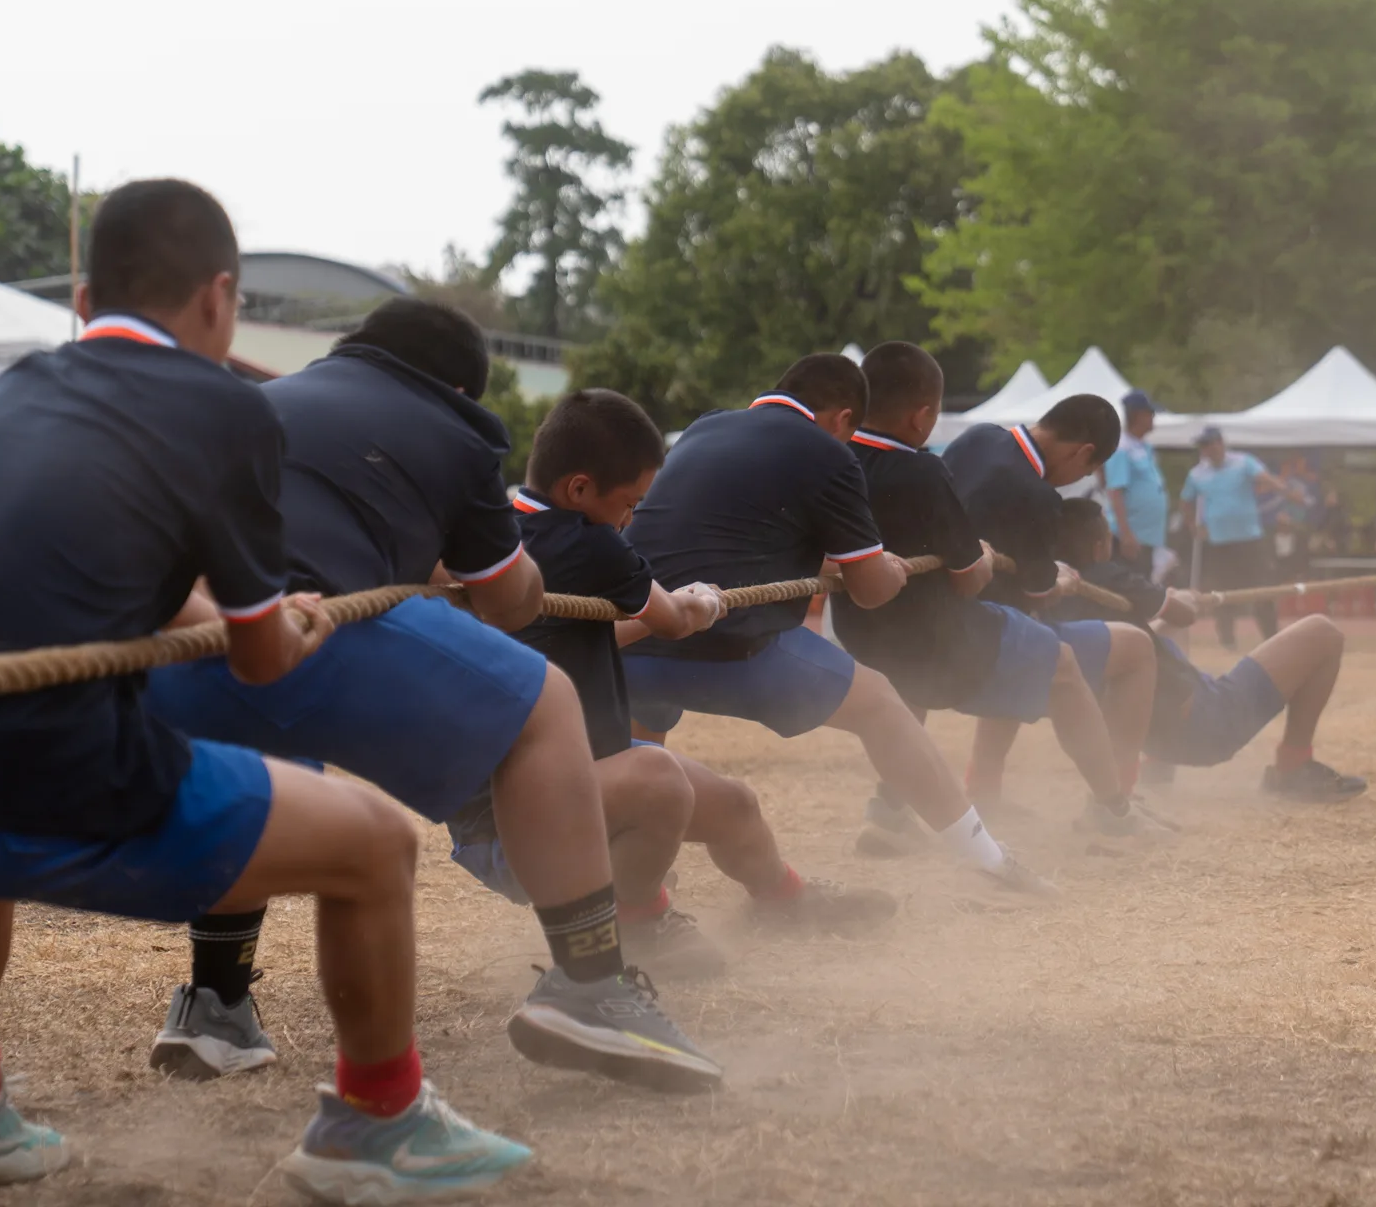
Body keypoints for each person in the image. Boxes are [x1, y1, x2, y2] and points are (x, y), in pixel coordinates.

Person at [0, 181, 530, 1201]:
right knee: (375, 844)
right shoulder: (224, 408)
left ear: (85, 299)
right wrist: (285, 622)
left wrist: (233, 612)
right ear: (220, 297)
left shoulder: (21, 390)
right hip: (34, 783)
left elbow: (119, 578)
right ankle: (380, 1121)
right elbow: (259, 664)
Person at [140, 298, 721, 1094]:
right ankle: (590, 986)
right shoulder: (453, 429)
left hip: (177, 644)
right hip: (317, 621)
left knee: (263, 784)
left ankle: (214, 1007)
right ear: (456, 389)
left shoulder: (257, 400)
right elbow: (510, 602)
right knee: (544, 704)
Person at [458, 387, 896, 979]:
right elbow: (674, 620)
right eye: (629, 503)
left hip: (560, 787)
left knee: (734, 806)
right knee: (659, 779)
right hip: (513, 826)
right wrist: (702, 600)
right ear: (579, 489)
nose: (630, 520)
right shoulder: (590, 544)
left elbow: (593, 635)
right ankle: (639, 921)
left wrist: (667, 609)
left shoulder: (508, 538)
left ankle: (784, 899)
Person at [622, 353, 1050, 893]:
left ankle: (642, 875)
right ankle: (987, 857)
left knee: (645, 735)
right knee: (882, 706)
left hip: (634, 643)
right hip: (731, 650)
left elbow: (722, 537)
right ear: (845, 418)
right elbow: (870, 593)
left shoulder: (705, 427)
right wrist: (888, 569)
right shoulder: (828, 452)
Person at [835, 346, 1161, 839]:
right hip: (944, 634)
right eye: (1085, 472)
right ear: (1083, 453)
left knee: (976, 652)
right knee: (1063, 663)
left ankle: (892, 810)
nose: (1076, 481)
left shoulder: (978, 438)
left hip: (873, 627)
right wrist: (1060, 580)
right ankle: (1112, 809)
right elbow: (1032, 590)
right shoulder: (1035, 497)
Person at [1046, 499, 1369, 802]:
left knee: (1163, 632)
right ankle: (1293, 766)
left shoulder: (1049, 595)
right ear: (1100, 547)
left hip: (1150, 734)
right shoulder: (1108, 577)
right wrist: (1183, 599)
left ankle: (1159, 763)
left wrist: (1170, 602)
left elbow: (1169, 620)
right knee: (1323, 632)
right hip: (1206, 728)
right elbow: (1184, 614)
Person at [1180, 427, 1295, 649]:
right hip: (1219, 543)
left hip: (1250, 539)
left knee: (1262, 589)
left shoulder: (1243, 462)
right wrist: (1193, 526)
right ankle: (1227, 639)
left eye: (1210, 444)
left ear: (1220, 444)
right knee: (1223, 593)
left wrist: (1284, 490)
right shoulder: (1197, 474)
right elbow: (1186, 501)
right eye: (1203, 446)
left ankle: (1272, 636)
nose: (1207, 450)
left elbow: (1264, 478)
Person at [1101, 389, 1170, 577]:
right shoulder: (1121, 448)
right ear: (1138, 416)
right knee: (1129, 585)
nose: (1154, 418)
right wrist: (1126, 534)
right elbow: (1115, 491)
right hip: (1130, 537)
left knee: (1143, 581)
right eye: (1151, 413)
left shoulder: (1144, 447)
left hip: (1146, 536)